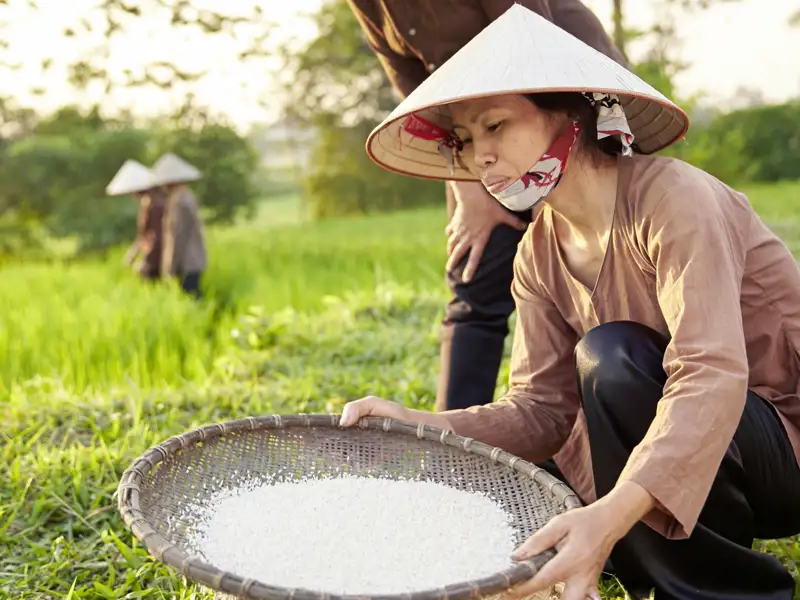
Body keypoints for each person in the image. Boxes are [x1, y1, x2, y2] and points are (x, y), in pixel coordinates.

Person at [338, 6, 800, 599]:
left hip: (780, 444)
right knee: (533, 474)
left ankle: (717, 589)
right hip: (689, 461)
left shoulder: (674, 200)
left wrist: (607, 518)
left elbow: (710, 374)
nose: (479, 156)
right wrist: (423, 425)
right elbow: (540, 412)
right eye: (466, 138)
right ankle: (628, 557)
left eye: (496, 126)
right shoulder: (537, 253)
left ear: (570, 114)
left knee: (616, 357)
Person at [345, 0, 628, 412]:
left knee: (593, 265)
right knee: (475, 269)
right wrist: (470, 193)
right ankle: (450, 450)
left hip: (558, 101)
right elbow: (417, 95)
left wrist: (545, 188)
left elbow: (534, 44)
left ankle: (616, 416)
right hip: (473, 132)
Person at [150, 153, 208, 298]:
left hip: (186, 261)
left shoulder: (178, 202)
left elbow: (177, 236)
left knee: (190, 299)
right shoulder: (187, 197)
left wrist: (170, 266)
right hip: (194, 259)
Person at [105, 159, 165, 281]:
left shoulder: (157, 205)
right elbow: (143, 234)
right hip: (154, 257)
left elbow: (158, 237)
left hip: (159, 260)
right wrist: (133, 252)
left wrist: (148, 262)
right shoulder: (148, 203)